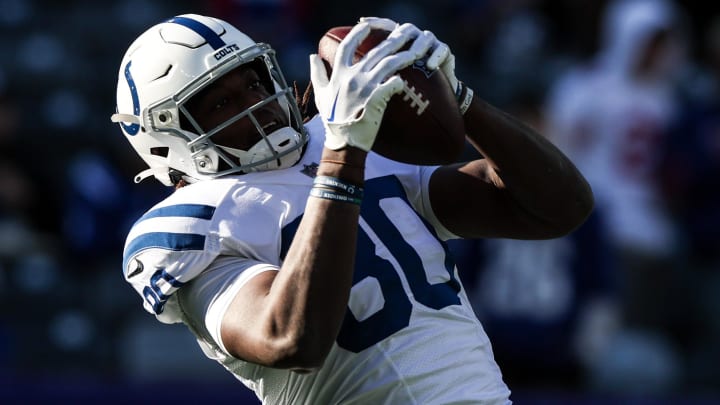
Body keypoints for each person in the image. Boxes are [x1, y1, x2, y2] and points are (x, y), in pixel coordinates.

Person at [111, 13, 593, 404]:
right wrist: (343, 157)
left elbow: (558, 209)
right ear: (166, 138)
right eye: (220, 104)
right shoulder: (190, 223)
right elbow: (288, 337)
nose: (257, 104)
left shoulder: (348, 134)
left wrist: (462, 101)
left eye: (254, 84)